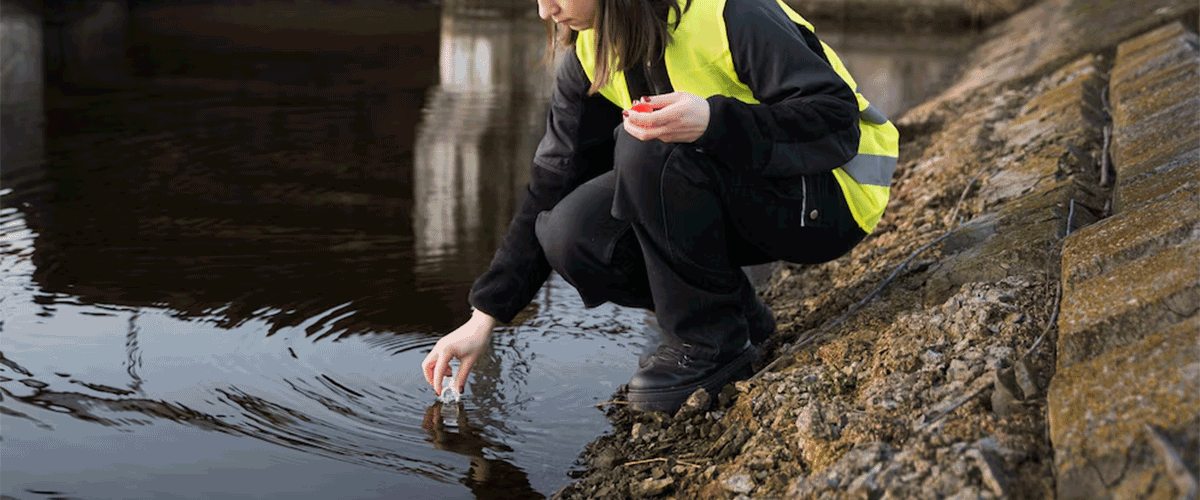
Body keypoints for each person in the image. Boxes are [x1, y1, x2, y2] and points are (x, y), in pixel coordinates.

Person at [422, 0, 899, 413]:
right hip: (753, 193)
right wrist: (483, 316)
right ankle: (734, 316)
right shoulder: (591, 51)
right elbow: (550, 184)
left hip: (830, 198)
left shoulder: (731, 14)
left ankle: (709, 347)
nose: (544, 11)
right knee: (568, 234)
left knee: (647, 147)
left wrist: (713, 121)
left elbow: (834, 120)